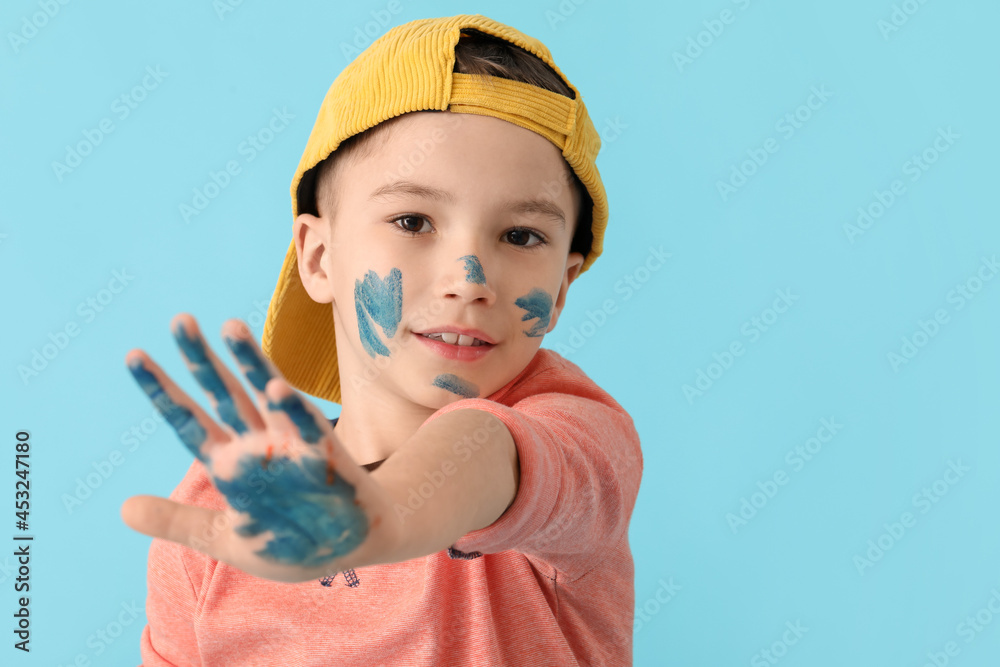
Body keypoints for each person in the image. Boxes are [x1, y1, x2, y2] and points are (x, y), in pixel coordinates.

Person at [120, 13, 643, 666]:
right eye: (413, 220)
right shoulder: (232, 506)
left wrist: (389, 514)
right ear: (318, 256)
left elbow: (487, 446)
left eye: (520, 235)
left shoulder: (582, 438)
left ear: (562, 287)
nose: (467, 278)